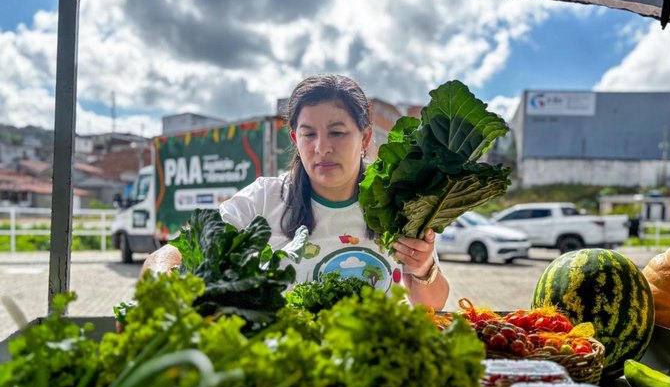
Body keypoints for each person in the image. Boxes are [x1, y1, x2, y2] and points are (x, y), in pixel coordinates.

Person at [143, 74, 449, 311]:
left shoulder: (401, 203)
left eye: (337, 132)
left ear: (365, 136)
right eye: (309, 134)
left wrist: (423, 268)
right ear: (295, 138)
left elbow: (432, 305)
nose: (322, 148)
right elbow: (179, 249)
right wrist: (161, 274)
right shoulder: (264, 199)